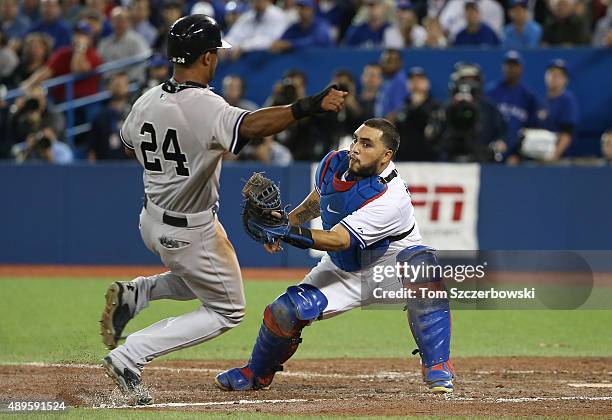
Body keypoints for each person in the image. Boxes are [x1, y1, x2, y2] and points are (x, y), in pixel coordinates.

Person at [99, 14, 346, 405]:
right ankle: (131, 355)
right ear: (207, 58)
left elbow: (130, 144)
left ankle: (139, 293)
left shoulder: (147, 97)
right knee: (227, 309)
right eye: (215, 52)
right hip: (189, 227)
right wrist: (307, 106)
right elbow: (252, 125)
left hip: (151, 217)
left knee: (199, 277)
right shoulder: (205, 105)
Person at [214, 118, 455, 394]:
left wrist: (288, 231)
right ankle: (256, 372)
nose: (355, 148)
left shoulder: (391, 198)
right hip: (345, 267)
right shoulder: (333, 164)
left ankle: (438, 365)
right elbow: (320, 200)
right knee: (283, 311)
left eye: (366, 144)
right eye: (355, 140)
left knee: (422, 267)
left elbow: (339, 240)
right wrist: (285, 226)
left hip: (389, 264)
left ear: (386, 155)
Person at [22, 21, 102, 102]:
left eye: (83, 34)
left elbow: (77, 69)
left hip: (86, 102)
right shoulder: (63, 53)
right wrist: (29, 83)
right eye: (76, 34)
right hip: (62, 100)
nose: (78, 37)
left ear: (90, 38)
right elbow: (46, 71)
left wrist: (80, 47)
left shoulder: (94, 55)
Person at [486, 51, 539, 161]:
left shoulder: (528, 96)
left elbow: (531, 129)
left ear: (521, 68)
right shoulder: (491, 92)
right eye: (509, 65)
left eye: (515, 65)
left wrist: (519, 155)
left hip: (516, 157)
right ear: (503, 67)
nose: (511, 69)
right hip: (490, 153)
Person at [536, 59, 579, 161]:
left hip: (560, 159)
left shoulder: (568, 100)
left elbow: (567, 133)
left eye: (559, 75)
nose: (554, 77)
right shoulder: (541, 101)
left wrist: (555, 155)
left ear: (565, 80)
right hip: (539, 156)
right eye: (551, 73)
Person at [395, 67, 440, 161]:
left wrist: (417, 106)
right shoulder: (401, 106)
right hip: (404, 159)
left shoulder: (435, 106)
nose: (416, 83)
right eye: (412, 80)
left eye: (419, 79)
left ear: (427, 83)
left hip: (428, 160)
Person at [98, 7, 151, 84]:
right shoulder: (104, 43)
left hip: (133, 85)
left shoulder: (137, 41)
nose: (118, 24)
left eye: (121, 20)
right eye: (115, 20)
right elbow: (100, 65)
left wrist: (125, 80)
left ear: (129, 22)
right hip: (109, 85)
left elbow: (143, 64)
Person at [88, 72, 133, 161]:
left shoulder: (134, 115)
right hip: (105, 168)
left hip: (129, 168)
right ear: (109, 87)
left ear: (128, 88)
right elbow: (92, 150)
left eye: (122, 84)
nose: (118, 87)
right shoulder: (100, 117)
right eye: (116, 84)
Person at [223, 0, 288, 59]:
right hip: (246, 59)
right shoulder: (247, 16)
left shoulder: (277, 15)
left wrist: (243, 47)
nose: (256, 2)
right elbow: (233, 36)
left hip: (267, 59)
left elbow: (271, 41)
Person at [375, 49, 407, 122]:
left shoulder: (400, 82)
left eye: (389, 61)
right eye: (383, 61)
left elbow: (397, 112)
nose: (384, 64)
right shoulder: (387, 80)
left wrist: (383, 128)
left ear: (399, 63)